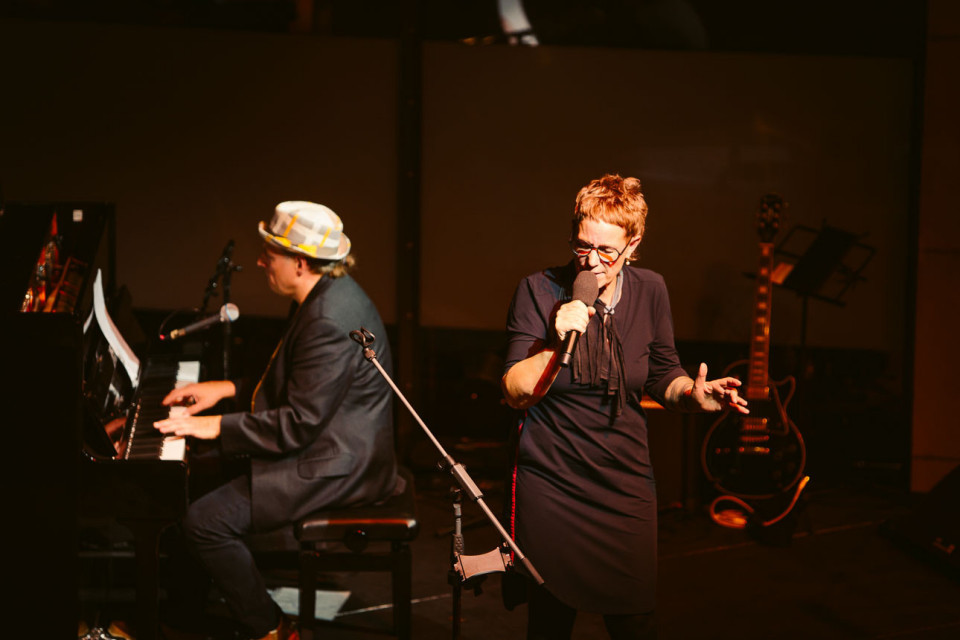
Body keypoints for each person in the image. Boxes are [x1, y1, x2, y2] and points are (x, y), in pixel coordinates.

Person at [501, 174, 749, 640]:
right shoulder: (537, 290)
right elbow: (514, 390)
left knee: (636, 621)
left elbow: (663, 375)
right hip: (553, 482)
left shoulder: (651, 290)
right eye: (582, 247)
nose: (592, 262)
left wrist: (693, 395)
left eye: (607, 251)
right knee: (550, 622)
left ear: (633, 245)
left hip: (623, 481)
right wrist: (555, 339)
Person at [155, 201, 403, 640]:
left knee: (204, 523)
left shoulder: (327, 317)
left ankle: (271, 628)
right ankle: (180, 618)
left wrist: (215, 426)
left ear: (300, 263)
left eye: (269, 253)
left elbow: (298, 423)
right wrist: (226, 389)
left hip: (338, 463)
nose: (260, 261)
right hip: (329, 442)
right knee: (192, 482)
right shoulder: (324, 294)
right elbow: (301, 384)